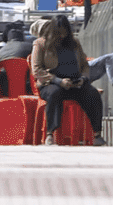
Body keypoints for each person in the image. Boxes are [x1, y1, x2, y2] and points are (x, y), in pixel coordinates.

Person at [31, 16, 104, 146]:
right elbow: (36, 70)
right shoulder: (41, 44)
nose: (62, 36)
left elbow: (84, 65)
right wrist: (58, 81)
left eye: (64, 32)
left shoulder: (74, 43)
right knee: (54, 93)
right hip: (51, 83)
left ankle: (97, 134)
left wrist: (83, 78)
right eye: (59, 33)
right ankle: (50, 133)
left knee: (93, 94)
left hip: (74, 83)